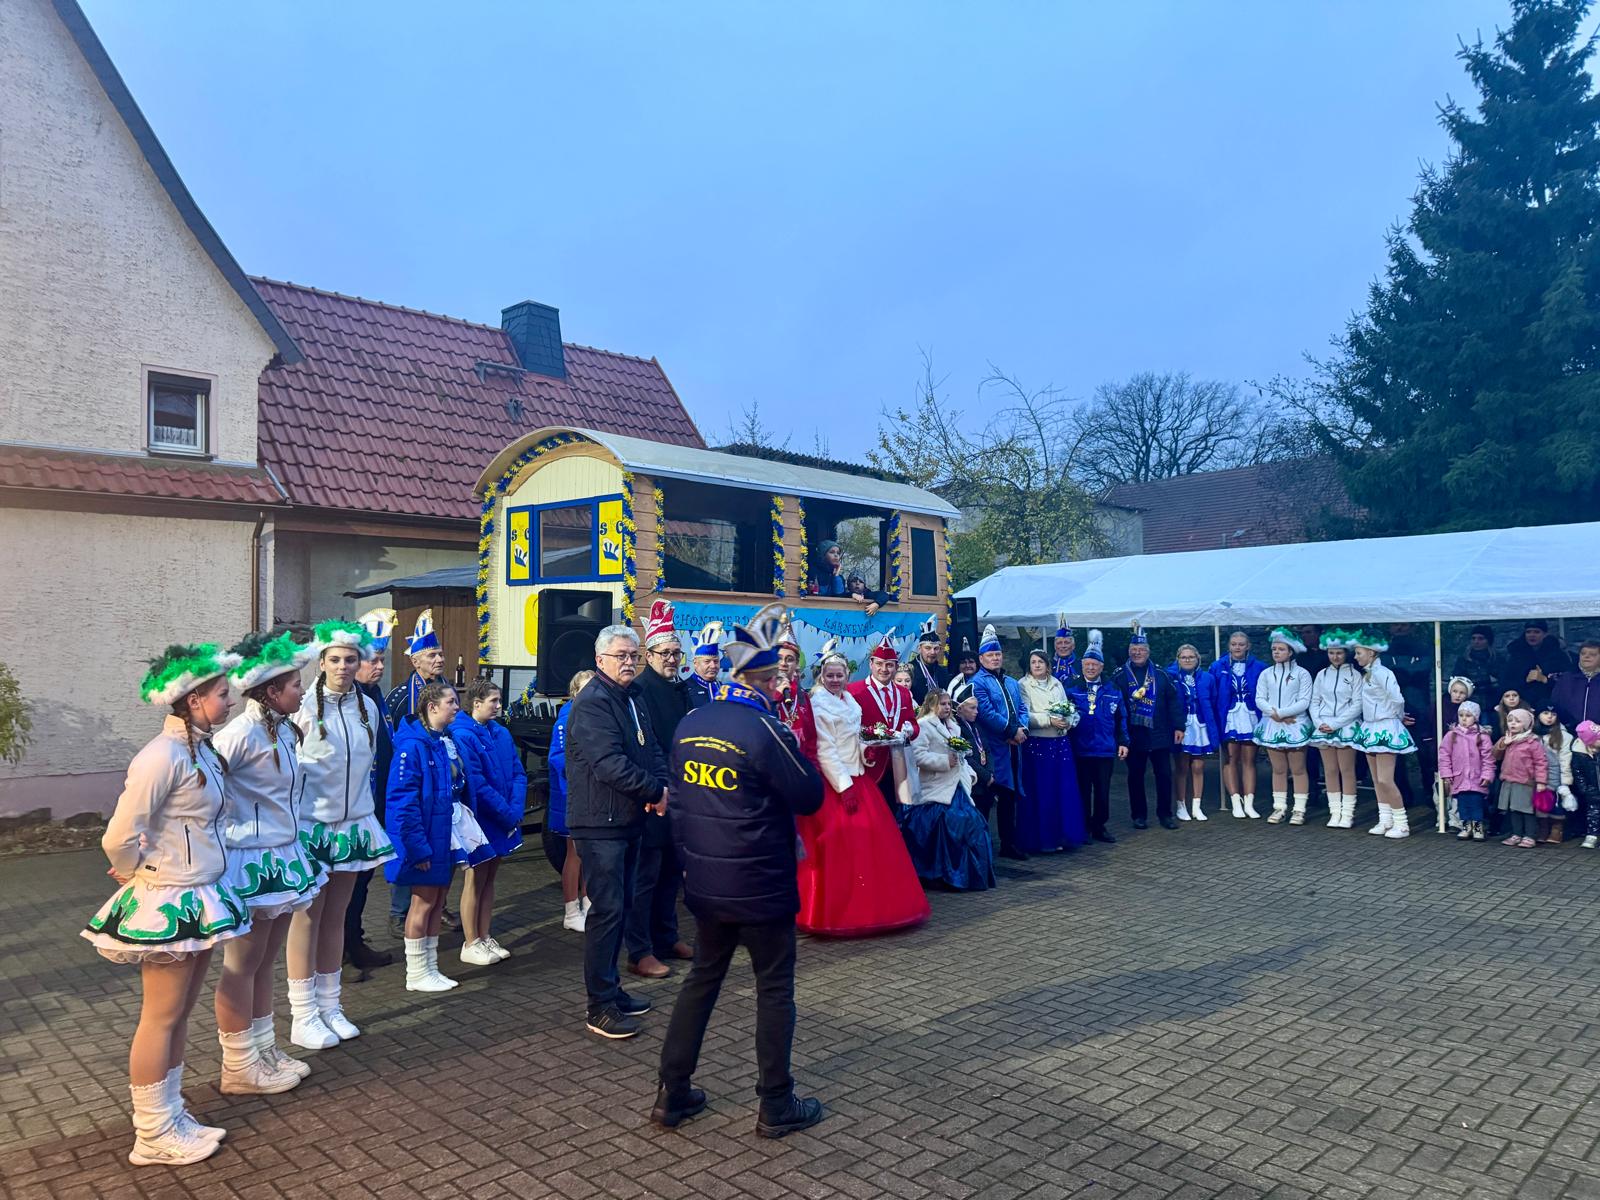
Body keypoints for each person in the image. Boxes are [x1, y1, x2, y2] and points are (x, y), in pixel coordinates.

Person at [653, 602, 826, 1138]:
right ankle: (776, 1102)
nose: (781, 685)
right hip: (761, 883)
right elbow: (809, 795)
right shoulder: (763, 728)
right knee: (773, 988)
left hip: (707, 881)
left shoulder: (692, 722)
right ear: (765, 678)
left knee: (702, 981)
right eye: (777, 678)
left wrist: (689, 867)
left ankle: (671, 1092)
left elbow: (680, 807)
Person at [84, 643, 251, 1166]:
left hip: (200, 891)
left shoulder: (201, 750)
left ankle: (170, 1114)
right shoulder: (160, 756)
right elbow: (118, 835)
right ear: (194, 699)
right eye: (222, 693)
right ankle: (152, 1133)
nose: (230, 701)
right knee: (160, 1017)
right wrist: (135, 869)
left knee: (178, 1015)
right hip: (169, 898)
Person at [211, 631, 321, 1098]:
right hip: (250, 861)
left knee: (264, 962)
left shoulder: (283, 729)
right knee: (241, 965)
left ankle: (263, 1050)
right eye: (295, 684)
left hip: (281, 854)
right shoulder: (237, 735)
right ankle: (238, 1065)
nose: (302, 690)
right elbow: (204, 793)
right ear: (272, 691)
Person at [288, 620, 396, 1050]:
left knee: (337, 918)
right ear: (321, 662)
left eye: (351, 659)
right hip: (312, 827)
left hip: (353, 825)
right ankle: (303, 1013)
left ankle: (330, 1005)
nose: (343, 666)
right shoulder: (301, 708)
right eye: (335, 659)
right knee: (307, 919)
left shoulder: (367, 707)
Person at [565, 624, 669, 1039]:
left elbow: (651, 749)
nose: (629, 662)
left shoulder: (632, 696)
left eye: (633, 655)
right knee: (606, 913)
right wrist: (654, 791)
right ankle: (600, 1006)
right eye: (621, 656)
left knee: (621, 908)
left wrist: (661, 785)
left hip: (627, 819)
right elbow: (608, 764)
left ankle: (613, 989)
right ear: (600, 660)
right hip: (599, 822)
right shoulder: (593, 702)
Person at [800, 642, 930, 936]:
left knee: (872, 845)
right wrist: (843, 787)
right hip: (837, 783)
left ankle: (874, 905)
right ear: (821, 676)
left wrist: (864, 752)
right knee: (843, 846)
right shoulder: (819, 704)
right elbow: (825, 750)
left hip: (859, 775)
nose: (835, 680)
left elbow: (855, 738)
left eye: (839, 675)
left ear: (846, 676)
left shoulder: (849, 700)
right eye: (830, 675)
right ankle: (838, 911)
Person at [630, 598, 695, 979]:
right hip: (655, 795)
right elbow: (647, 745)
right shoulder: (640, 690)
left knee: (672, 871)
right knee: (646, 877)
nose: (672, 659)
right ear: (649, 654)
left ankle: (667, 936)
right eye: (665, 653)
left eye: (676, 653)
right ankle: (640, 949)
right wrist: (658, 788)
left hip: (682, 795)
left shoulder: (680, 689)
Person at [386, 680, 464, 990]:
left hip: (440, 836)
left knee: (436, 900)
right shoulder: (413, 746)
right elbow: (403, 803)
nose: (457, 707)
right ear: (432, 707)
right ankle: (416, 973)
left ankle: (430, 967)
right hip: (426, 840)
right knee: (422, 902)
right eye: (451, 702)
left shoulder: (439, 741)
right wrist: (417, 848)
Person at [449, 679, 527, 966]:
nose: (498, 705)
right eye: (493, 701)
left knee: (490, 877)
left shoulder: (501, 732)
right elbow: (477, 784)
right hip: (482, 817)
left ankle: (485, 935)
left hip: (503, 816)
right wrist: (507, 813)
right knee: (476, 877)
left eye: (498, 700)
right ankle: (471, 941)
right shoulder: (463, 735)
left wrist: (515, 808)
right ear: (476, 703)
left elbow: (518, 773)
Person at [384, 609, 450, 931]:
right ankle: (399, 913)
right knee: (409, 841)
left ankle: (438, 903)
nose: (439, 660)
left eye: (441, 654)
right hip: (412, 781)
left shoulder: (445, 690)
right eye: (432, 655)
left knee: (437, 844)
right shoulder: (400, 697)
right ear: (415, 661)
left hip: (440, 781)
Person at [904, 690, 997, 890]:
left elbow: (961, 757)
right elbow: (918, 756)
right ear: (931, 705)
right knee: (951, 824)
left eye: (948, 704)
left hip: (957, 784)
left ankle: (969, 875)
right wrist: (944, 761)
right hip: (936, 785)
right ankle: (944, 875)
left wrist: (970, 774)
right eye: (942, 704)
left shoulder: (954, 726)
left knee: (974, 824)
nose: (947, 707)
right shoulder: (923, 726)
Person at [346, 607, 397, 966]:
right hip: (349, 809)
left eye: (382, 660)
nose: (379, 666)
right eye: (373, 660)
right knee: (346, 885)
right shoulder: (348, 701)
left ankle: (354, 941)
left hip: (374, 806)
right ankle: (341, 952)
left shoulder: (375, 696)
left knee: (363, 881)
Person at [1114, 622, 1186, 830]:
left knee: (1164, 775)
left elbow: (1174, 702)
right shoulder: (1119, 676)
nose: (1137, 653)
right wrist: (1119, 736)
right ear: (1129, 651)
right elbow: (1115, 708)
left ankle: (1165, 815)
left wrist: (1179, 726)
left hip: (1159, 733)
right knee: (1135, 776)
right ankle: (1139, 815)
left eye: (1141, 649)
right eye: (1134, 649)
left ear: (1148, 651)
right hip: (1134, 735)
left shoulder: (1162, 675)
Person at [1015, 649, 1087, 852]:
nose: (1037, 665)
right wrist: (1048, 720)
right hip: (1038, 743)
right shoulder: (1023, 685)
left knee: (1061, 790)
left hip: (1060, 743)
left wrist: (1068, 721)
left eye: (1041, 662)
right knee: (1041, 791)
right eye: (1033, 662)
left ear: (1048, 665)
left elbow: (1066, 707)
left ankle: (1061, 836)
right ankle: (1041, 839)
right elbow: (1024, 714)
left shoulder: (1057, 683)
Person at [1350, 630, 1418, 840]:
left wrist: (1398, 717)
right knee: (1377, 780)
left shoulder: (1383, 673)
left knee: (1385, 779)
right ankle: (1385, 819)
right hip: (1370, 727)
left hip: (1385, 726)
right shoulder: (1368, 674)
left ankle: (1402, 823)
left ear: (1371, 653)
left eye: (1359, 653)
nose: (1355, 657)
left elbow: (1397, 699)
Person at [971, 625, 1029, 859]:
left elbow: (1022, 708)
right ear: (981, 658)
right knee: (987, 798)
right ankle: (982, 847)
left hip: (1013, 748)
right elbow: (986, 713)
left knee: (1009, 796)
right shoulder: (977, 682)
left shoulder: (1012, 682)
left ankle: (1008, 843)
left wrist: (1022, 728)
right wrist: (1012, 730)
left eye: (997, 654)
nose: (995, 658)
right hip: (992, 749)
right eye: (990, 655)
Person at [848, 636, 918, 811]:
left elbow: (914, 724)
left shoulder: (903, 693)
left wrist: (909, 730)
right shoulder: (854, 691)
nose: (884, 669)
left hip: (897, 766)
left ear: (895, 667)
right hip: (868, 765)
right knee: (871, 815)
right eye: (879, 664)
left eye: (889, 665)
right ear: (871, 664)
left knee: (895, 815)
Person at [1254, 628, 1315, 826]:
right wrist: (1275, 714)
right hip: (1273, 724)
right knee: (1278, 769)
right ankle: (1279, 807)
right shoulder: (1266, 673)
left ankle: (1299, 809)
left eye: (1281, 649)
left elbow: (1304, 700)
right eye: (1274, 649)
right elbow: (1260, 698)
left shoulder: (1302, 674)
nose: (1276, 652)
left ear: (1290, 652)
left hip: (1295, 724)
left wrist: (1282, 713)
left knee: (1298, 769)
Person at [548, 670, 592, 932]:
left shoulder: (592, 715)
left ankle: (588, 902)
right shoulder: (566, 720)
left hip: (590, 795)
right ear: (575, 692)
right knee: (574, 853)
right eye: (584, 689)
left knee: (588, 853)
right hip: (572, 795)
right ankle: (571, 909)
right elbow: (559, 758)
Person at [1307, 631, 1364, 829]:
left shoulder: (1355, 675)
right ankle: (1335, 812)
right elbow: (1314, 700)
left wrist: (1336, 723)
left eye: (1339, 653)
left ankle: (1347, 813)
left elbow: (1357, 704)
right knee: (1330, 770)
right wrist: (1318, 722)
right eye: (1331, 653)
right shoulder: (1322, 674)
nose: (1335, 657)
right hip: (1324, 726)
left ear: (1346, 653)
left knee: (1347, 770)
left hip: (1345, 726)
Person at [1210, 631, 1266, 819]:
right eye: (1234, 644)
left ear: (1248, 646)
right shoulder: (1217, 667)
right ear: (1229, 646)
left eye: (1241, 644)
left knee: (1249, 759)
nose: (1237, 647)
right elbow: (1213, 694)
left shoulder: (1259, 667)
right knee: (1231, 758)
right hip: (1228, 717)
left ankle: (1249, 803)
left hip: (1251, 716)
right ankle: (1235, 802)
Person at [1168, 645, 1220, 821]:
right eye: (1184, 657)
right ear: (1178, 659)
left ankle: (1197, 806)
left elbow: (1213, 700)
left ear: (1198, 659)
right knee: (1182, 766)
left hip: (1200, 724)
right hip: (1182, 725)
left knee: (1198, 766)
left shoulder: (1207, 678)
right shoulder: (1171, 676)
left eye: (1191, 657)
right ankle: (1181, 805)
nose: (1188, 660)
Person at [1440, 700, 1496, 842]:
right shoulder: (1451, 735)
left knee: (1476, 803)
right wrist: (1446, 774)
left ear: (1475, 717)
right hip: (1459, 777)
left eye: (1468, 715)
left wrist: (1487, 775)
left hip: (1477, 777)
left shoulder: (1482, 736)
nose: (1464, 719)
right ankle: (1466, 826)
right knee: (1462, 804)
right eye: (1461, 715)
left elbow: (1488, 758)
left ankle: (1478, 827)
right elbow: (1444, 755)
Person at [1495, 707, 1546, 847]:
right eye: (1510, 721)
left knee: (1527, 810)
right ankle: (1516, 834)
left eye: (1517, 721)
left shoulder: (1533, 743)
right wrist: (1503, 744)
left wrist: (1541, 781)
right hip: (1508, 780)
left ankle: (1529, 835)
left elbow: (1541, 762)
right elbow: (1495, 755)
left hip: (1525, 781)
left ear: (1526, 724)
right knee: (1513, 810)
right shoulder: (1507, 739)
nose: (1513, 724)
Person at [774, 620, 818, 762]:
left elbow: (811, 739)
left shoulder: (802, 696)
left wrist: (812, 768)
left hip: (798, 766)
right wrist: (777, 695)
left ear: (796, 664)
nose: (783, 664)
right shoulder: (760, 693)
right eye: (779, 658)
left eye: (789, 659)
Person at [1503, 619, 1569, 712]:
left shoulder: (1557, 655)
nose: (1532, 635)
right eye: (1528, 632)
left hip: (1550, 704)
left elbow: (1567, 681)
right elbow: (1506, 681)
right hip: (1523, 703)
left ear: (1545, 634)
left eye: (1536, 632)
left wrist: (1544, 679)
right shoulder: (1516, 655)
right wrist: (1525, 680)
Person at [1535, 705, 1575, 844]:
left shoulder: (1564, 736)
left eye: (1553, 714)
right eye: (1545, 713)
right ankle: (1543, 828)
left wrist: (1566, 782)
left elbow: (1565, 760)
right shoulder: (1533, 734)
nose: (1549, 717)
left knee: (1556, 802)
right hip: (1538, 774)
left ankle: (1557, 829)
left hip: (1556, 774)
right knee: (1540, 802)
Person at [1452, 625, 1502, 713]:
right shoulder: (1463, 660)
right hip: (1469, 705)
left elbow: (1503, 681)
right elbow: (1457, 681)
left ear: (1488, 641)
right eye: (1473, 638)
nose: (1476, 641)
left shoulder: (1496, 659)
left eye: (1481, 638)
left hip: (1492, 703)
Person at [1552, 640, 1600, 731]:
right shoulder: (1566, 678)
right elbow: (1556, 704)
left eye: (1592, 654)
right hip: (1569, 732)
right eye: (1583, 653)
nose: (1586, 656)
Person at [1571, 721, 1600, 848]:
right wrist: (1584, 788)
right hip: (1592, 789)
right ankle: (1592, 835)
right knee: (1593, 812)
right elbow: (1578, 772)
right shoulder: (1580, 754)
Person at [907, 623, 950, 706]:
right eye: (928, 648)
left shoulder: (943, 671)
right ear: (919, 649)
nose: (932, 652)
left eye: (936, 648)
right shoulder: (909, 670)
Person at [685, 620, 724, 710]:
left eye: (716, 661)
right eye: (707, 661)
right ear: (695, 663)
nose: (713, 666)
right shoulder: (684, 689)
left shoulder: (724, 689)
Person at [1051, 621, 1080, 690]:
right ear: (1055, 647)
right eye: (1059, 643)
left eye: (1066, 643)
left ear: (1073, 646)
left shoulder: (1082, 665)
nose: (1063, 646)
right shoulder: (1048, 665)